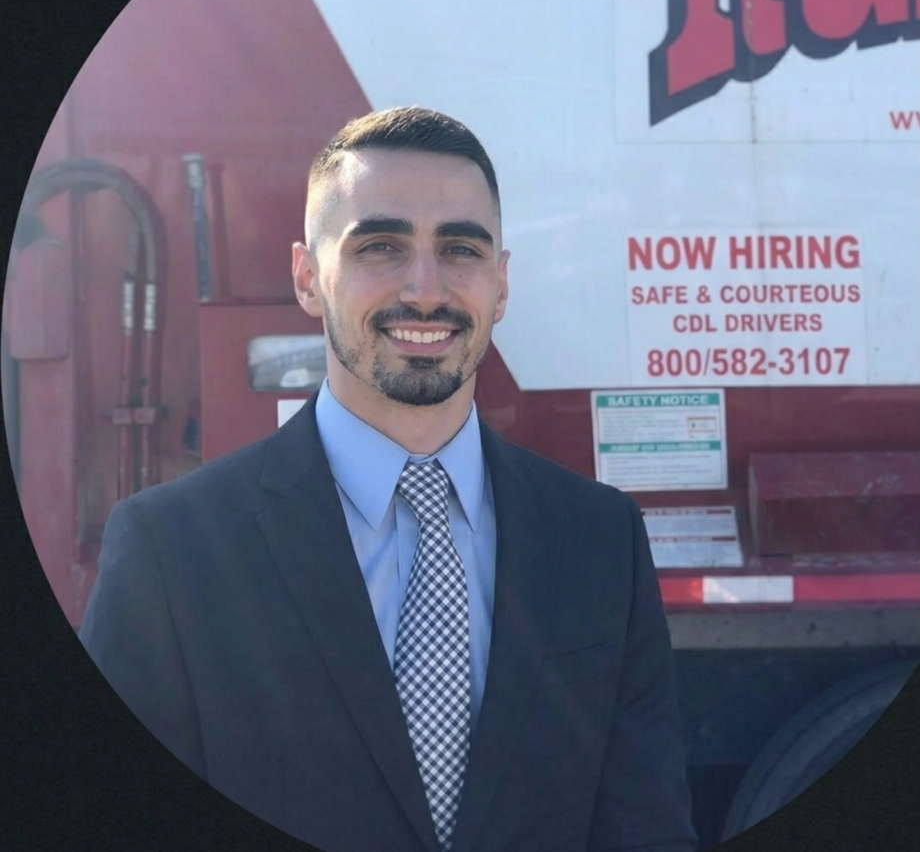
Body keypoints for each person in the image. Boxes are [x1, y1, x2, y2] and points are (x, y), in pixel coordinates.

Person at [80, 107, 697, 852]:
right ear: (308, 278)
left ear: (500, 284)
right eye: (380, 245)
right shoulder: (170, 553)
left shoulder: (602, 540)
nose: (426, 289)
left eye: (460, 250)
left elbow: (645, 829)